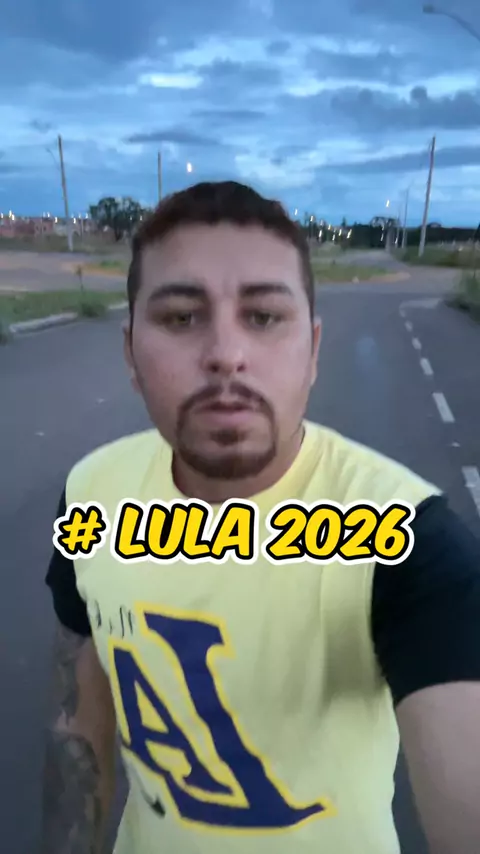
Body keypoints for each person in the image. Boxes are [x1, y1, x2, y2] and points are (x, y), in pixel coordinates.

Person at [42, 180, 480, 854]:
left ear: (313, 350)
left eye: (265, 316)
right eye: (181, 317)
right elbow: (80, 716)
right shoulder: (90, 495)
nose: (226, 353)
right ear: (130, 353)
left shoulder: (408, 539)